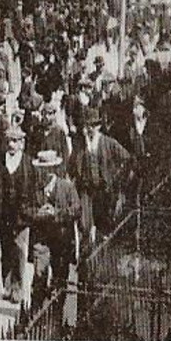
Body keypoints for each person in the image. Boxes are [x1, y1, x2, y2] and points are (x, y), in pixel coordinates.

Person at [0, 124, 37, 305]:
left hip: (22, 215)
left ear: (22, 143)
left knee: (20, 250)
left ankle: (18, 287)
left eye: (15, 141)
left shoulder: (28, 164)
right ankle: (7, 285)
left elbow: (35, 190)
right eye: (9, 141)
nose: (11, 145)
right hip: (2, 214)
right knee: (5, 250)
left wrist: (33, 211)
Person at [26, 148, 81, 313]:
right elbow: (23, 209)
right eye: (43, 169)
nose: (46, 172)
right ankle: (36, 314)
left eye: (49, 168)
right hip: (41, 241)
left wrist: (57, 214)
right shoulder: (32, 187)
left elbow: (77, 209)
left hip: (61, 242)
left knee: (59, 279)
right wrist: (38, 213)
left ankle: (56, 314)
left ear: (55, 168)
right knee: (39, 277)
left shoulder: (67, 187)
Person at [69, 104, 132, 244]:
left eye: (92, 125)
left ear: (97, 126)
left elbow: (126, 158)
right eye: (87, 125)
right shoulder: (80, 145)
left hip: (103, 190)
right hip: (86, 190)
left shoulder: (107, 142)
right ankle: (88, 251)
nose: (88, 128)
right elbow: (72, 166)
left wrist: (115, 177)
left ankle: (102, 252)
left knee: (104, 224)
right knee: (85, 225)